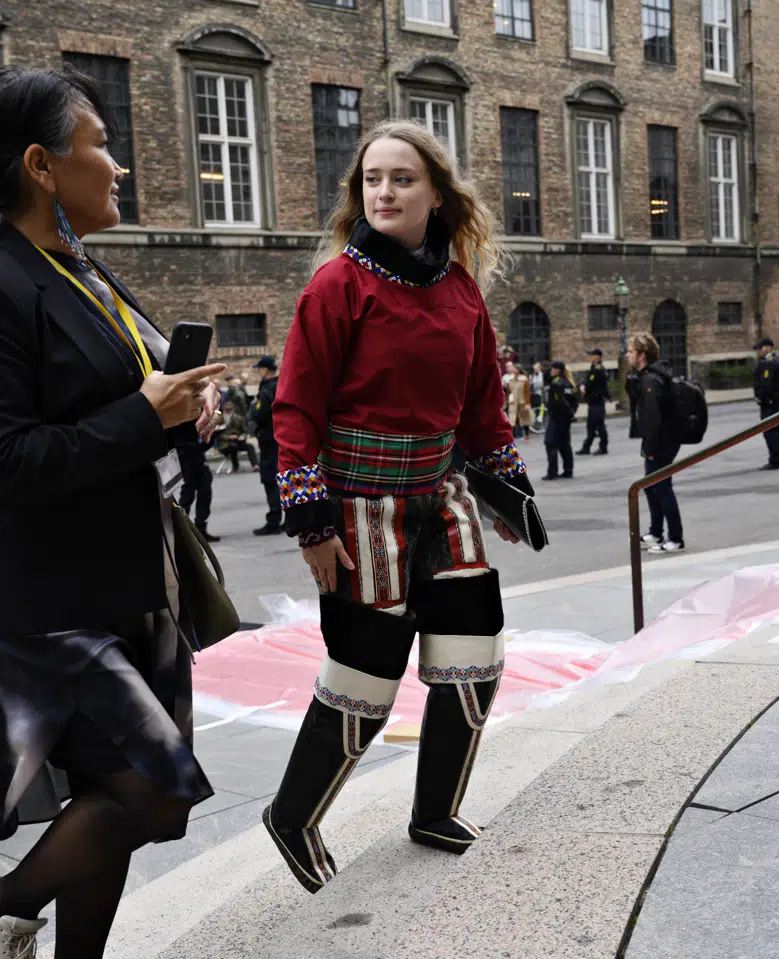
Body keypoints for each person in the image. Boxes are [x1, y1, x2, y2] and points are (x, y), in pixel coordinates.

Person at [0, 65, 224, 958]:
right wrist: (146, 415)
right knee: (154, 791)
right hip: (37, 600)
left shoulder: (92, 275)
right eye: (99, 142)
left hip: (125, 582)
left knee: (124, 796)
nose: (118, 164)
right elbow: (4, 461)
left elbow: (133, 410)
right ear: (42, 166)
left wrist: (184, 413)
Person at [263, 119, 532, 893]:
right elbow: (295, 411)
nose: (384, 191)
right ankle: (293, 815)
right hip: (359, 510)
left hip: (444, 500)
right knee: (365, 680)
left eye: (402, 179)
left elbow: (483, 408)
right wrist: (310, 519)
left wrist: (510, 487)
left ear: (437, 194)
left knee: (473, 660)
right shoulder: (336, 286)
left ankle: (435, 811)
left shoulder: (461, 291)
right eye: (372, 179)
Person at [630, 334, 684, 553]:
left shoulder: (651, 379)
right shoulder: (646, 376)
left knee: (662, 488)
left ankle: (675, 538)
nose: (627, 355)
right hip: (660, 441)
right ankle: (656, 532)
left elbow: (652, 417)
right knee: (652, 487)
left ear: (642, 355)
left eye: (631, 351)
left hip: (662, 442)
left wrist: (651, 448)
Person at [251, 355, 284, 535]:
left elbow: (258, 414)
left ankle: (273, 521)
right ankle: (291, 519)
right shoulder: (282, 385)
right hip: (281, 439)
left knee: (271, 481)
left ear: (265, 370)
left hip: (269, 442)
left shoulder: (266, 391)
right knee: (286, 477)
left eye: (259, 369)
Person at [752, 338, 779, 470]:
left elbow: (766, 384)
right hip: (776, 400)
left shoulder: (769, 363)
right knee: (775, 429)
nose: (758, 351)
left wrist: (760, 397)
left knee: (770, 430)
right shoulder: (777, 360)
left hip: (770, 402)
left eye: (760, 348)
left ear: (768, 348)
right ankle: (778, 457)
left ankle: (775, 460)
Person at [176, 437, 219, 542]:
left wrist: (212, 436)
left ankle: (200, 529)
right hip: (184, 454)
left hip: (198, 455)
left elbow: (205, 443)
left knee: (205, 491)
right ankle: (180, 531)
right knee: (187, 494)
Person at [543, 360, 578, 480]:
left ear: (557, 370)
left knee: (550, 442)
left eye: (552, 369)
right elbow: (574, 400)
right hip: (565, 418)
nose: (550, 371)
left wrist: (567, 412)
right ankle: (568, 470)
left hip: (557, 417)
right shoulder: (568, 382)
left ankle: (552, 472)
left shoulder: (556, 383)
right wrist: (571, 413)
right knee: (564, 444)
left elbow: (560, 401)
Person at [577, 348, 610, 455]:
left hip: (597, 400)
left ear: (598, 356)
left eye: (592, 355)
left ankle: (603, 447)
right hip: (593, 401)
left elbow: (591, 383)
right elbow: (588, 379)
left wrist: (584, 387)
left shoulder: (599, 369)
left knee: (599, 425)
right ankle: (586, 447)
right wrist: (582, 385)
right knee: (591, 425)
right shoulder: (594, 367)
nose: (590, 357)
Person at [217, 400, 259, 471]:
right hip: (225, 443)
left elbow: (244, 431)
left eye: (230, 410)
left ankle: (255, 465)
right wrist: (229, 437)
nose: (228, 412)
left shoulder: (239, 418)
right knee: (233, 446)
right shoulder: (219, 419)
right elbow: (217, 434)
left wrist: (243, 436)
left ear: (233, 410)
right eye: (227, 410)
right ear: (224, 410)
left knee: (250, 446)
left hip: (238, 441)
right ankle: (235, 466)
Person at [503, 360, 532, 439]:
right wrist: (506, 401)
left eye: (514, 368)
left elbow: (527, 392)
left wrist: (527, 403)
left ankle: (526, 432)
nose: (512, 369)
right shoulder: (511, 379)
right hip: (513, 401)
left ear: (518, 370)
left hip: (522, 401)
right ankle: (511, 435)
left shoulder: (524, 379)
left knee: (525, 417)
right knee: (512, 418)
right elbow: (509, 392)